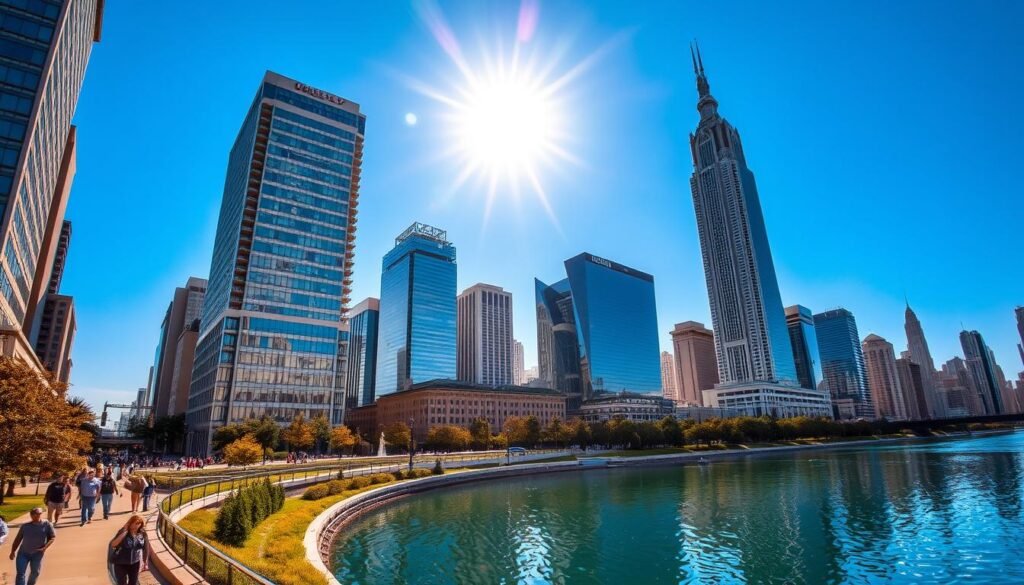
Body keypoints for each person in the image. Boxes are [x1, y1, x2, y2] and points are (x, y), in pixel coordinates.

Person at [8, 507, 55, 585]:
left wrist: (45, 547)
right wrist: (13, 551)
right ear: (31, 515)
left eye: (38, 514)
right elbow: (17, 540)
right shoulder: (25, 526)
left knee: (35, 572)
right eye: (34, 514)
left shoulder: (46, 524)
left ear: (40, 514)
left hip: (37, 554)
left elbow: (52, 537)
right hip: (23, 553)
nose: (36, 516)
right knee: (20, 574)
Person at [110, 514, 148, 585]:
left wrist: (145, 561)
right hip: (120, 562)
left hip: (135, 563)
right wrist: (125, 532)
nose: (136, 525)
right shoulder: (123, 531)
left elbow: (146, 548)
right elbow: (113, 544)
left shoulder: (142, 534)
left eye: (139, 523)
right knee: (122, 583)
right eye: (135, 523)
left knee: (133, 582)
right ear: (130, 523)